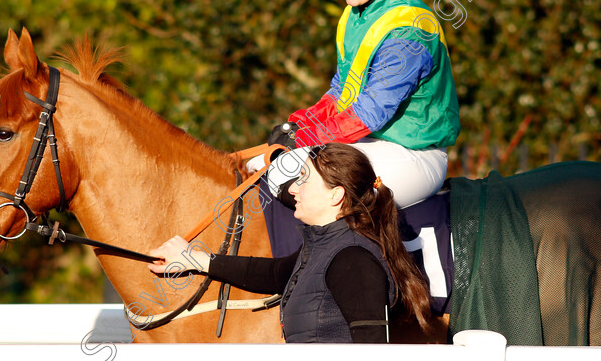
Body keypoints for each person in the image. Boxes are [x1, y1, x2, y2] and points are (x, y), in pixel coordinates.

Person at [258, 0, 461, 256]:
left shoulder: (409, 30)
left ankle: (363, 299)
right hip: (372, 143)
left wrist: (308, 136)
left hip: (413, 155)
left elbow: (369, 112)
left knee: (315, 185)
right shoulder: (356, 14)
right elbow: (342, 90)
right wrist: (299, 123)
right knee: (269, 167)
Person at [148, 143, 432, 343]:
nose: (293, 188)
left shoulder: (354, 260)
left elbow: (372, 351)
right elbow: (271, 273)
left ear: (336, 195)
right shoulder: (322, 249)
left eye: (303, 180)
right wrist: (193, 259)